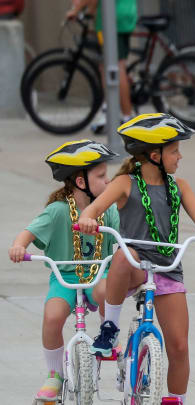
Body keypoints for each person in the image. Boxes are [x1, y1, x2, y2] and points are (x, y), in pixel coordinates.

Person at [77, 113, 195, 403]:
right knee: (123, 254)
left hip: (167, 268)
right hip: (133, 266)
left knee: (180, 347)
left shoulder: (179, 187)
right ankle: (110, 327)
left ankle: (176, 399)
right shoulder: (124, 183)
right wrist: (87, 219)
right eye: (175, 151)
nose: (180, 156)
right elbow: (92, 211)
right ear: (154, 155)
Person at [8, 140, 119, 403]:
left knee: (106, 290)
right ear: (81, 182)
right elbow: (28, 233)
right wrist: (18, 246)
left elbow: (123, 236)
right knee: (52, 316)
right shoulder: (57, 212)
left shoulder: (108, 209)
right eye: (101, 176)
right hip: (65, 276)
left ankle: (108, 333)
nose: (108, 181)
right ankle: (55, 375)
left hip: (98, 272)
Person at [66, 0, 137, 133]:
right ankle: (110, 111)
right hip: (122, 15)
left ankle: (127, 116)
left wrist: (76, 10)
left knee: (114, 66)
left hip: (113, 19)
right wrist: (90, 11)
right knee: (106, 66)